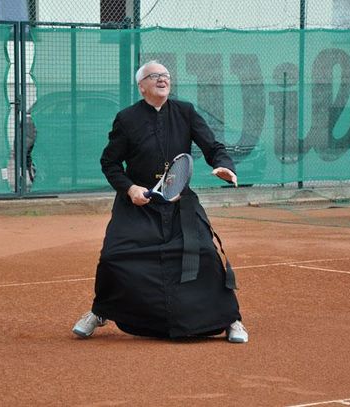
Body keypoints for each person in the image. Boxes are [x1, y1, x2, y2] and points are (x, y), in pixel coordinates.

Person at [72, 61, 248, 343]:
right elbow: (110, 162)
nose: (162, 79)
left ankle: (231, 319)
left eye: (165, 75)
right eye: (154, 76)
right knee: (114, 256)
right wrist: (130, 189)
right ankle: (101, 311)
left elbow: (213, 147)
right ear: (141, 86)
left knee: (205, 253)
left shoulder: (186, 112)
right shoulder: (126, 119)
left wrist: (224, 166)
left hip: (180, 203)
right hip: (138, 204)